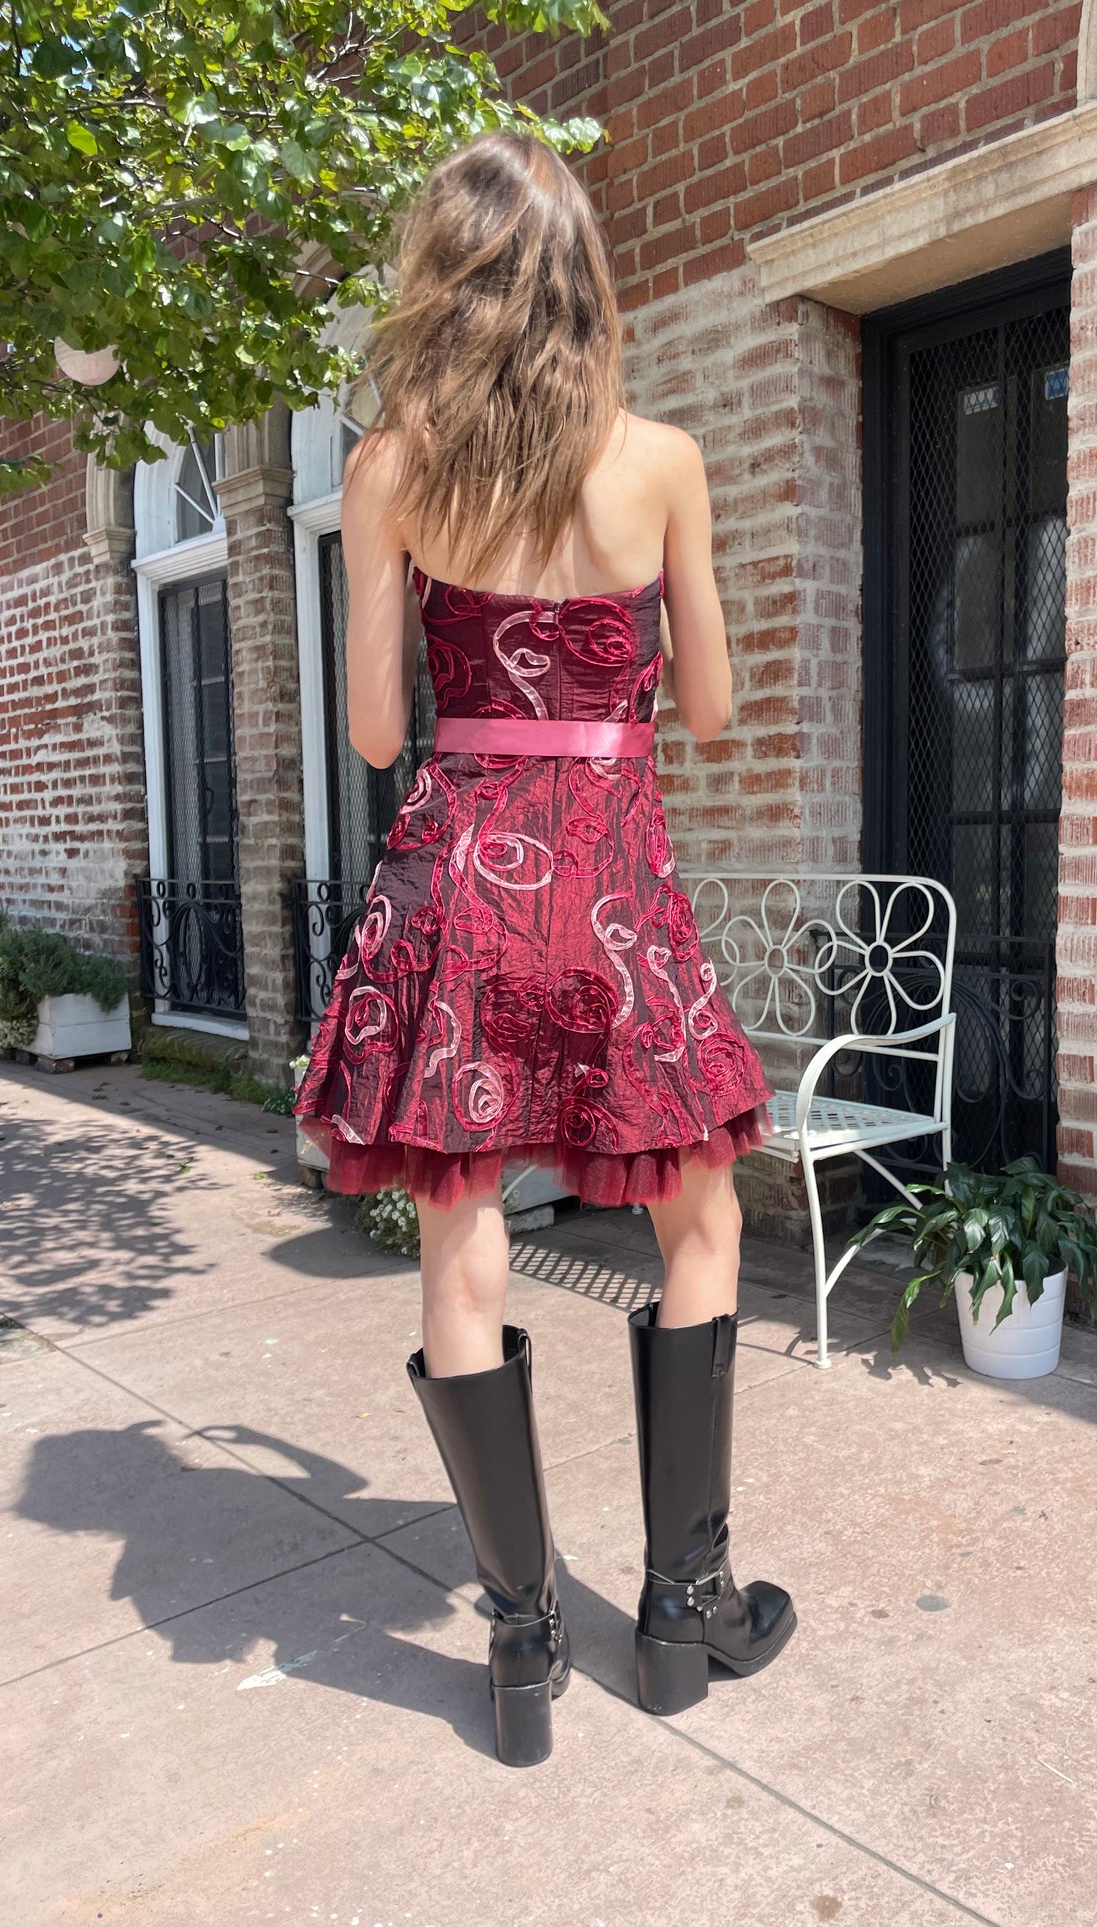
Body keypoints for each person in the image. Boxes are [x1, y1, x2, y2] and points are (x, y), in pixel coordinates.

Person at [293, 130, 796, 1768]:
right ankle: (682, 1610)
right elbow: (709, 712)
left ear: (440, 288)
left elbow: (378, 734)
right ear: (585, 284)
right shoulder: (659, 457)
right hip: (613, 899)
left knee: (461, 1243)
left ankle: (521, 1655)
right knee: (699, 1219)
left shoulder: (388, 469)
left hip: (459, 892)